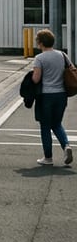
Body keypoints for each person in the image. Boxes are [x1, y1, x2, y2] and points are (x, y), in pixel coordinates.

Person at [30, 29, 73, 166]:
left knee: (45, 126)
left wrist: (30, 77)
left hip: (46, 96)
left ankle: (48, 157)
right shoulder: (62, 55)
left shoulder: (40, 58)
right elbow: (71, 69)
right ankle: (66, 145)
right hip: (61, 94)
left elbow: (36, 79)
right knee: (56, 123)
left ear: (40, 43)